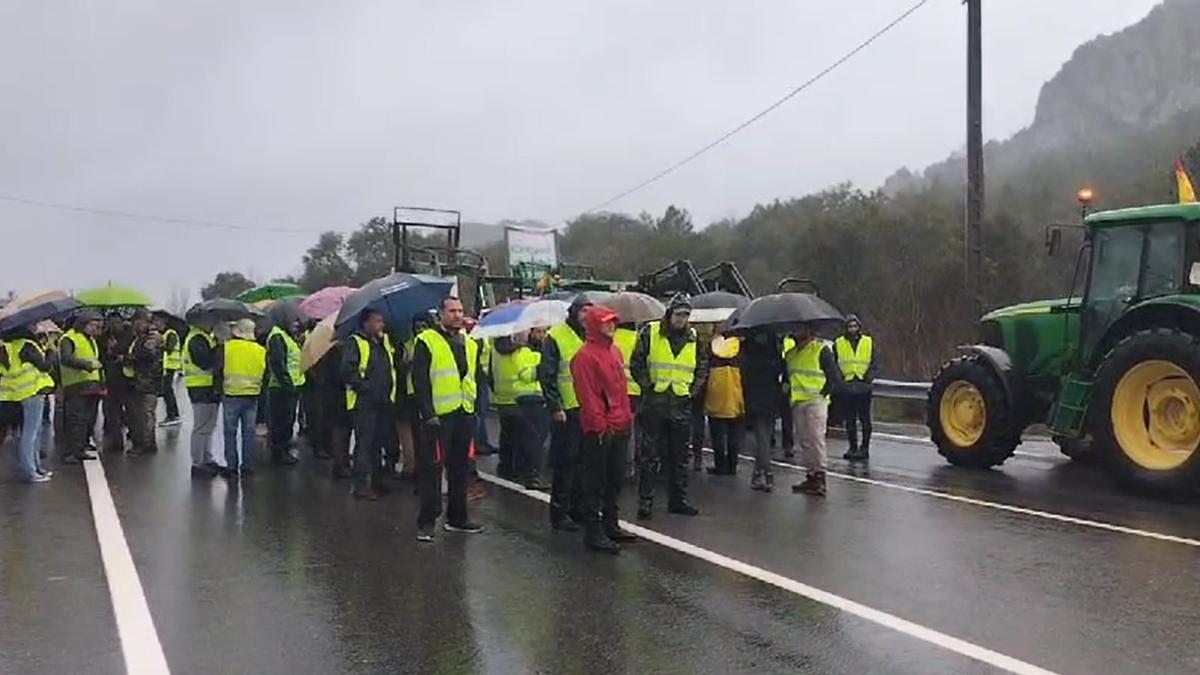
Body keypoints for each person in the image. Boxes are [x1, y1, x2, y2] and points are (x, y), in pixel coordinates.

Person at [412, 296, 483, 542]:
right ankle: (427, 521)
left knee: (460, 467)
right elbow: (420, 381)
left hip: (463, 411)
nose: (457, 314)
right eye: (452, 310)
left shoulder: (469, 342)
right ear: (440, 313)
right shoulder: (426, 341)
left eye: (460, 310)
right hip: (439, 415)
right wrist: (428, 412)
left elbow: (474, 377)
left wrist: (473, 408)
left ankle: (457, 517)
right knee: (432, 469)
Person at [630, 295, 708, 519]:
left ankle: (678, 500)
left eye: (685, 315)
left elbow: (703, 365)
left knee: (680, 457)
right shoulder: (650, 332)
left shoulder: (694, 337)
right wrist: (648, 386)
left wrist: (693, 391)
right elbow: (637, 362)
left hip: (681, 402)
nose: (682, 319)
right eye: (678, 314)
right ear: (669, 314)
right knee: (649, 456)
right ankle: (646, 501)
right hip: (655, 402)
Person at [571, 305, 637, 553]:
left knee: (614, 480)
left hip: (620, 424)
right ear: (595, 325)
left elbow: (620, 390)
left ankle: (611, 524)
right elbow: (588, 396)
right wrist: (600, 426)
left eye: (613, 321)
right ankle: (594, 531)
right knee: (595, 482)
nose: (612, 326)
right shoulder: (585, 357)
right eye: (607, 322)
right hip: (601, 429)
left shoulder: (616, 352)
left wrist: (626, 417)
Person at [539, 295, 592, 531]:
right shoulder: (556, 336)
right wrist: (555, 406)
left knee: (583, 463)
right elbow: (547, 375)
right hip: (566, 409)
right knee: (565, 463)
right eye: (583, 311)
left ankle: (578, 509)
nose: (586, 316)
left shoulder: (590, 336)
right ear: (573, 312)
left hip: (587, 408)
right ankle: (560, 513)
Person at [341, 309, 397, 500]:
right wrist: (366, 389)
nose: (381, 325)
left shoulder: (382, 342)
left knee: (378, 443)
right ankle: (361, 485)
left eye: (382, 321)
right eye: (377, 321)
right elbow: (348, 371)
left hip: (384, 400)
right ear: (365, 323)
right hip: (365, 402)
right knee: (365, 443)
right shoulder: (355, 342)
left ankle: (377, 480)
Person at [785, 325, 843, 497]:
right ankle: (810, 475)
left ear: (808, 332)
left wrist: (823, 393)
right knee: (805, 441)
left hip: (815, 401)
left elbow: (834, 376)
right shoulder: (791, 354)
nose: (795, 334)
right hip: (797, 400)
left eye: (799, 331)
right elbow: (789, 377)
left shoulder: (821, 350)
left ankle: (820, 477)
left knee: (816, 439)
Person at [0, 326, 56, 482]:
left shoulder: (7, 347)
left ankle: (36, 468)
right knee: (32, 434)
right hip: (33, 391)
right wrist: (50, 351)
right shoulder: (27, 345)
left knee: (28, 433)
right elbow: (45, 366)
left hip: (15, 394)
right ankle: (32, 471)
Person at [741, 329, 786, 491]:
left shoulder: (747, 349)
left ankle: (764, 473)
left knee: (763, 438)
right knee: (766, 436)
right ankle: (762, 473)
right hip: (771, 396)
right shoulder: (773, 351)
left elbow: (744, 373)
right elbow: (781, 369)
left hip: (755, 396)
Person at [221, 319, 266, 478]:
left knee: (230, 432)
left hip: (231, 394)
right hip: (252, 396)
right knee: (248, 433)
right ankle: (248, 466)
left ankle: (231, 467)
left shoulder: (227, 347)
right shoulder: (261, 350)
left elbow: (219, 369)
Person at [58, 312, 104, 464]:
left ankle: (79, 449)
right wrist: (86, 365)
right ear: (83, 324)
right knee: (75, 420)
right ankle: (70, 452)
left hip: (91, 385)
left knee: (85, 420)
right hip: (76, 385)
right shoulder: (68, 338)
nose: (94, 328)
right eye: (91, 325)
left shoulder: (90, 339)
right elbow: (66, 358)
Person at [834, 315, 876, 462]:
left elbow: (874, 362)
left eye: (855, 326)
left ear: (859, 327)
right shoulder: (839, 343)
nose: (852, 329)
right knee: (849, 419)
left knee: (865, 419)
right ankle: (853, 447)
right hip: (848, 385)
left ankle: (864, 448)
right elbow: (835, 363)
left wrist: (868, 378)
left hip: (863, 385)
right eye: (850, 326)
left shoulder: (868, 342)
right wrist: (840, 381)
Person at [183, 320, 222, 478]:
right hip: (200, 387)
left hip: (208, 387)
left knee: (208, 427)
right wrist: (218, 347)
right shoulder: (197, 339)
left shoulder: (205, 337)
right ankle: (198, 463)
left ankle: (207, 458)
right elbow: (206, 363)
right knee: (201, 427)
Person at [266, 317, 305, 466]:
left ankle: (283, 450)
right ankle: (279, 452)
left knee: (287, 421)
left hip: (290, 386)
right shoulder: (277, 336)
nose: (295, 325)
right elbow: (278, 364)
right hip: (282, 388)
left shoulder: (286, 336)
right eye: (292, 322)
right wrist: (289, 385)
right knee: (281, 422)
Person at [123, 309, 163, 456]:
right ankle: (143, 442)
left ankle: (145, 444)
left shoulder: (152, 336)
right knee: (137, 414)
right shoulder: (138, 337)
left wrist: (127, 358)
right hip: (137, 381)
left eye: (137, 322)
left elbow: (146, 354)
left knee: (145, 415)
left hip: (148, 381)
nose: (135, 325)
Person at [705, 332, 744, 476]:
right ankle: (732, 465)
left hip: (716, 395)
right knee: (734, 434)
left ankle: (720, 465)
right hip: (736, 395)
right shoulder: (740, 346)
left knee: (718, 435)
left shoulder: (713, 346)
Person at [488, 335, 522, 480]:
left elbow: (490, 373)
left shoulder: (494, 350)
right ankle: (516, 467)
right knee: (519, 435)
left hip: (501, 397)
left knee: (506, 433)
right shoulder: (520, 350)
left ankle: (505, 464)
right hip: (518, 396)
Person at [612, 321, 641, 478]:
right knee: (638, 430)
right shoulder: (639, 338)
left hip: (618, 391)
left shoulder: (613, 340)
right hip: (637, 391)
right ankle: (636, 464)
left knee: (622, 431)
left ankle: (623, 465)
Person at [100, 313, 131, 453]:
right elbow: (100, 355)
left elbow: (130, 353)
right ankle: (115, 439)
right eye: (111, 323)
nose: (114, 326)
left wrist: (116, 350)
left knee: (128, 409)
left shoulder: (129, 335)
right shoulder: (103, 336)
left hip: (126, 378)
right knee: (110, 410)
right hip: (109, 377)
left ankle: (134, 434)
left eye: (117, 323)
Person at [156, 314, 182, 427]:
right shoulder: (165, 334)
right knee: (167, 390)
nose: (156, 324)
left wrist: (158, 344)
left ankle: (172, 415)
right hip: (167, 366)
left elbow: (169, 348)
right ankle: (174, 414)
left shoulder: (170, 333)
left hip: (170, 366)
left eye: (158, 322)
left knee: (167, 390)